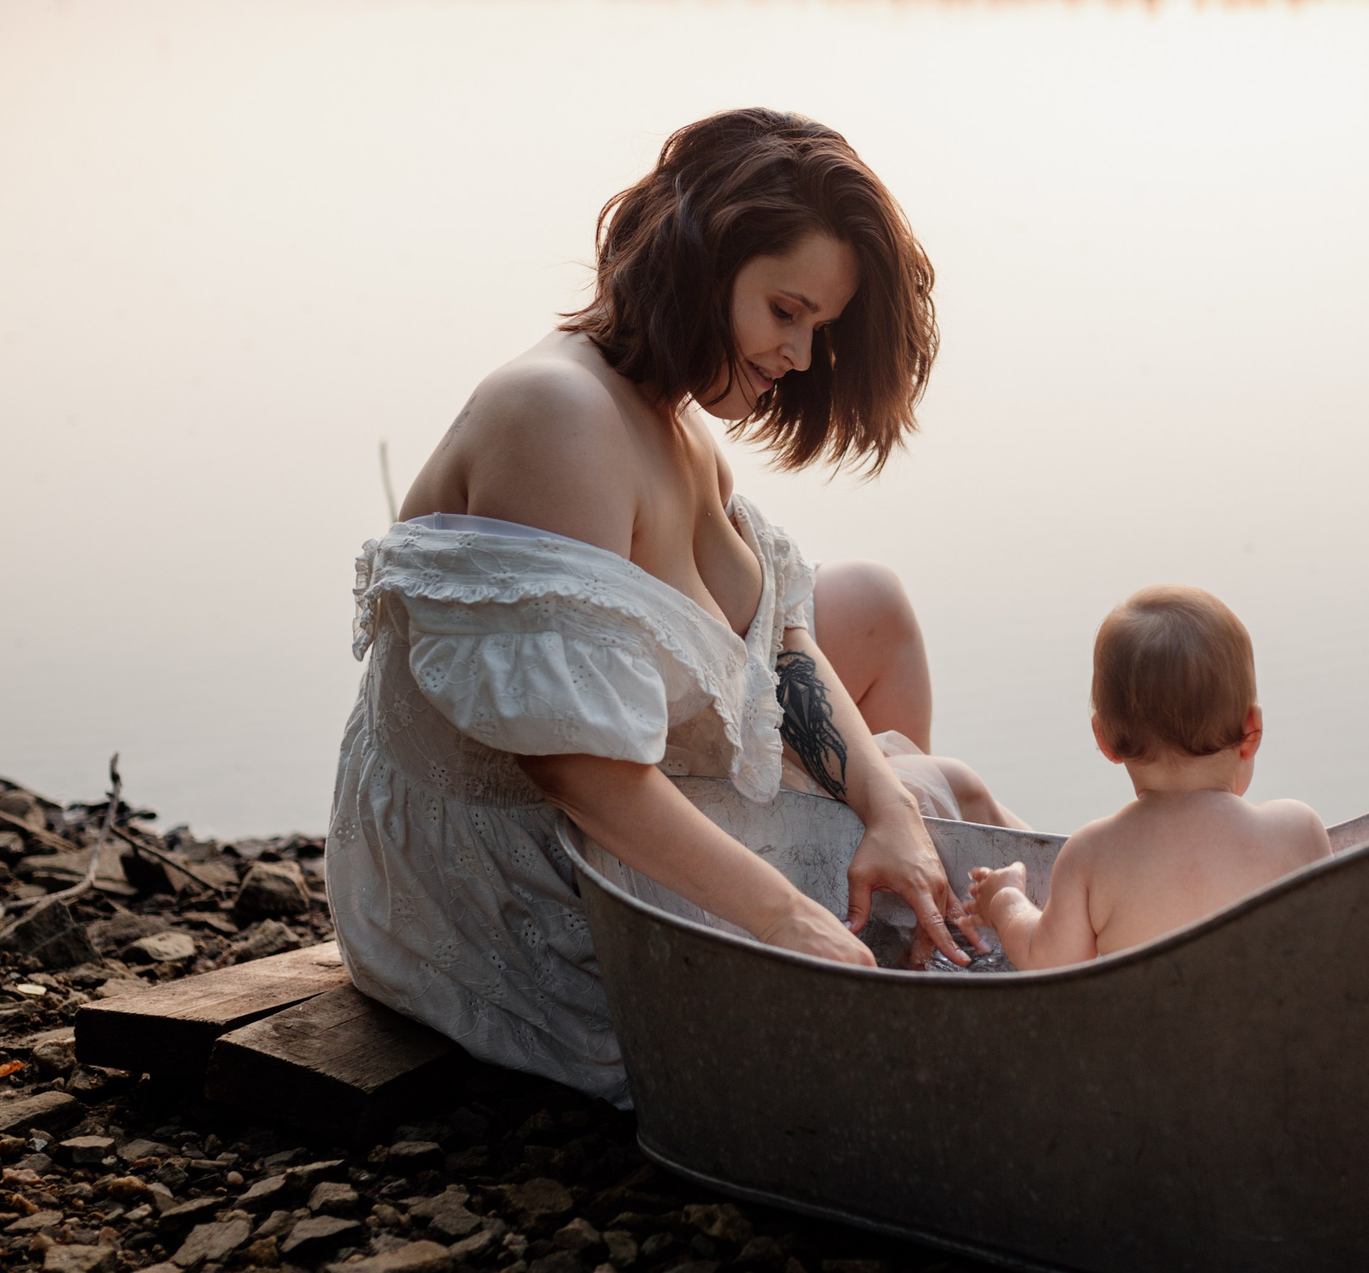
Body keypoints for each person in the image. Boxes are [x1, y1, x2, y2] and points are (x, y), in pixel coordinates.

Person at [327, 108, 1015, 1106]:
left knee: (921, 803)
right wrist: (787, 921)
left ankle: (1040, 971)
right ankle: (1077, 1028)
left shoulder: (675, 424)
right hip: (498, 874)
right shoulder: (556, 416)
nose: (802, 355)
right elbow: (574, 768)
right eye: (786, 311)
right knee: (964, 815)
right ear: (702, 261)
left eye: (818, 327)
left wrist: (884, 809)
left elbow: (779, 647)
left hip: (584, 813)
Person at [962, 585, 1326, 968]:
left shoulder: (1091, 857)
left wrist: (1005, 902)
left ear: (1104, 739)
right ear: (1252, 730)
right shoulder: (1299, 830)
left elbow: (1046, 962)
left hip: (1150, 1027)